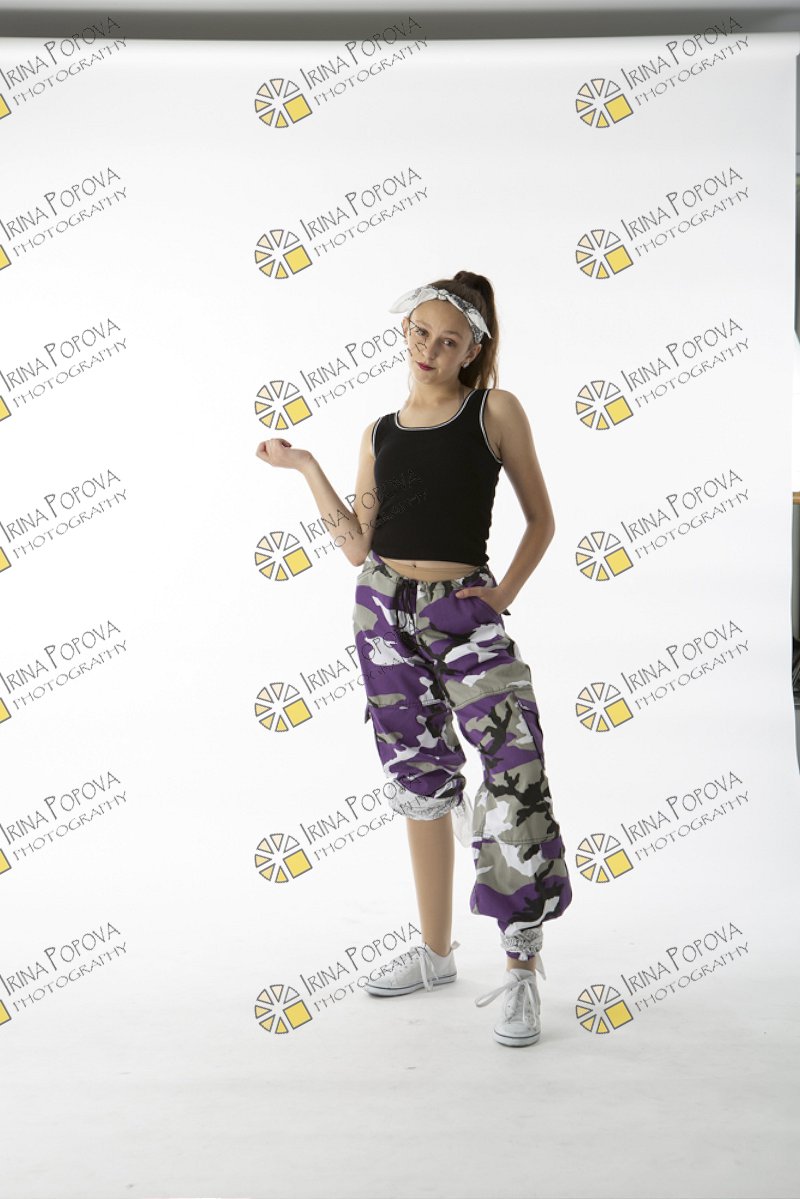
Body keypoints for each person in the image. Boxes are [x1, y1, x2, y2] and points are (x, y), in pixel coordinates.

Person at [255, 270, 572, 1047]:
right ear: (406, 333)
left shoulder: (494, 411)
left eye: (448, 340)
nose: (430, 349)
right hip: (382, 610)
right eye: (420, 333)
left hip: (464, 611)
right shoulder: (379, 432)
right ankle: (436, 953)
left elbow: (541, 520)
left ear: (472, 350)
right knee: (418, 778)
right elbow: (356, 544)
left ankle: (522, 966)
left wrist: (501, 596)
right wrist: (307, 469)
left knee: (515, 770)